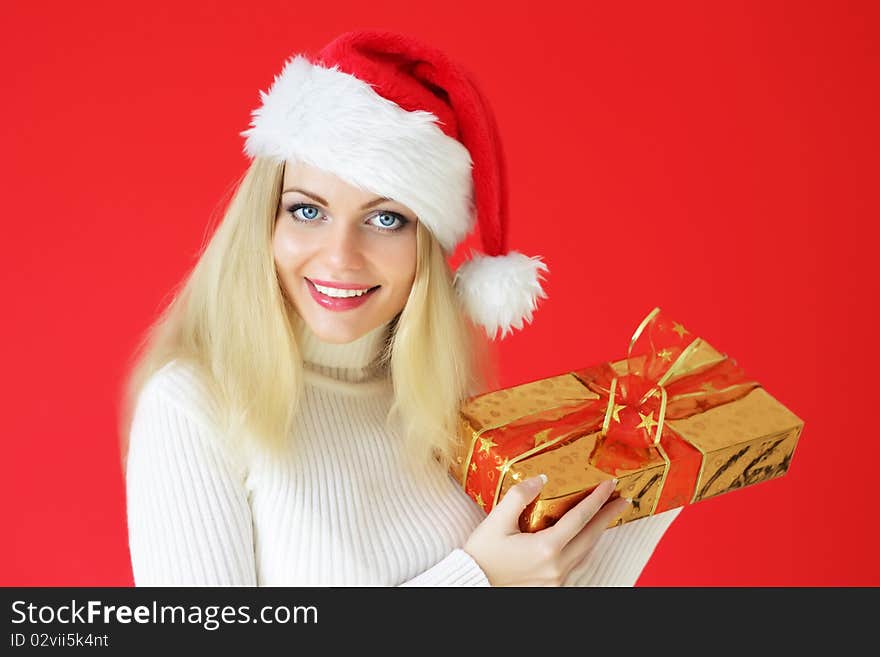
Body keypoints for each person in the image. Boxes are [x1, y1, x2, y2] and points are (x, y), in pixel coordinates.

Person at [121, 30, 682, 587]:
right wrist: (479, 580)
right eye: (307, 211)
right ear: (263, 220)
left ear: (430, 251)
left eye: (385, 218)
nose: (340, 257)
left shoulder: (435, 405)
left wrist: (646, 488)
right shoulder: (193, 405)